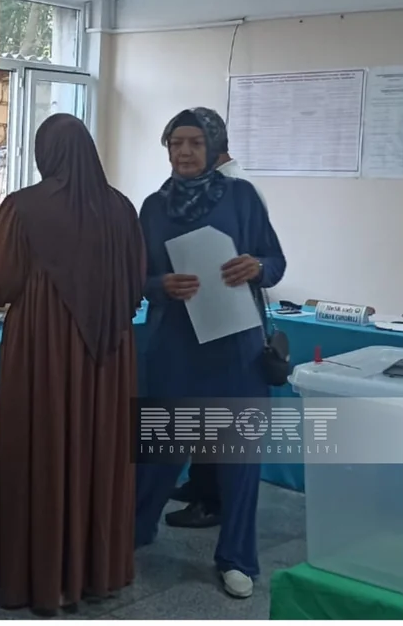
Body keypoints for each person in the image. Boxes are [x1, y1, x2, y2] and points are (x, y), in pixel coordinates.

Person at [0, 113, 144, 616]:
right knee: (100, 447)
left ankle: (40, 575)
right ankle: (97, 572)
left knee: (42, 444)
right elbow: (136, 284)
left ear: (44, 153)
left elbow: (1, 286)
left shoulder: (21, 207)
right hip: (109, 353)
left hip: (43, 346)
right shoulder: (122, 209)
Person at [135, 107, 286, 599]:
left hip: (235, 347)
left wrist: (256, 267)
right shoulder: (153, 207)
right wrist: (160, 284)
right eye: (175, 142)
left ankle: (237, 559)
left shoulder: (241, 197)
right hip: (174, 346)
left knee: (239, 461)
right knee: (160, 451)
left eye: (194, 142)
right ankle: (135, 531)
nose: (183, 152)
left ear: (214, 147)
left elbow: (276, 261)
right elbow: (135, 277)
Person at [170, 146, 270, 529]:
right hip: (211, 313)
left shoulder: (233, 190)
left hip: (225, 316)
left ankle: (211, 500)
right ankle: (200, 485)